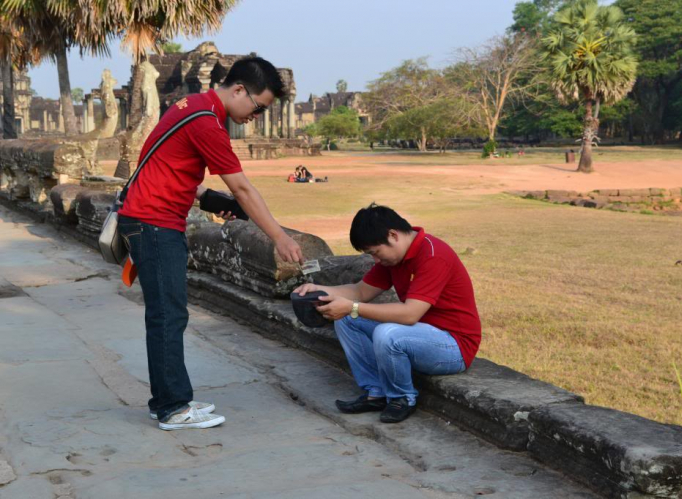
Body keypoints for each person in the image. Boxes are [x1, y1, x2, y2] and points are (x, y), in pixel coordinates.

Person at [118, 56, 304, 431]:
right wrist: (280, 237)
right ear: (239, 90)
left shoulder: (193, 106)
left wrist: (211, 201)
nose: (257, 116)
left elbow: (172, 170)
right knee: (168, 314)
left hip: (149, 218)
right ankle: (173, 407)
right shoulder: (207, 121)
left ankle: (166, 400)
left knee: (166, 313)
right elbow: (242, 186)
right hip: (154, 222)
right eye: (258, 107)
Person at [293, 204, 482, 423]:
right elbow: (360, 291)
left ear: (393, 235)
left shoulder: (433, 255)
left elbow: (410, 313)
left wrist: (352, 307)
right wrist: (321, 291)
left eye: (375, 252)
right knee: (347, 319)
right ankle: (377, 392)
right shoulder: (394, 257)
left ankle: (402, 398)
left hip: (453, 347)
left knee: (386, 333)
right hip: (418, 335)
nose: (375, 260)